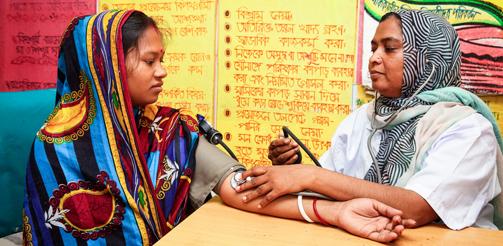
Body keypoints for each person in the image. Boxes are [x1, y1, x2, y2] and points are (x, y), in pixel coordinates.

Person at [22, 10, 415, 245]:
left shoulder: (173, 130)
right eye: (149, 61)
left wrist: (338, 212)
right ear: (106, 66)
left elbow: (242, 189)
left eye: (162, 59)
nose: (162, 71)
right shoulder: (56, 147)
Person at [237, 9, 503, 230]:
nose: (374, 58)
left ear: (429, 59)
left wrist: (309, 176)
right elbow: (333, 188)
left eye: (390, 49)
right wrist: (293, 169)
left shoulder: (467, 129)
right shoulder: (363, 118)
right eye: (374, 48)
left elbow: (416, 209)